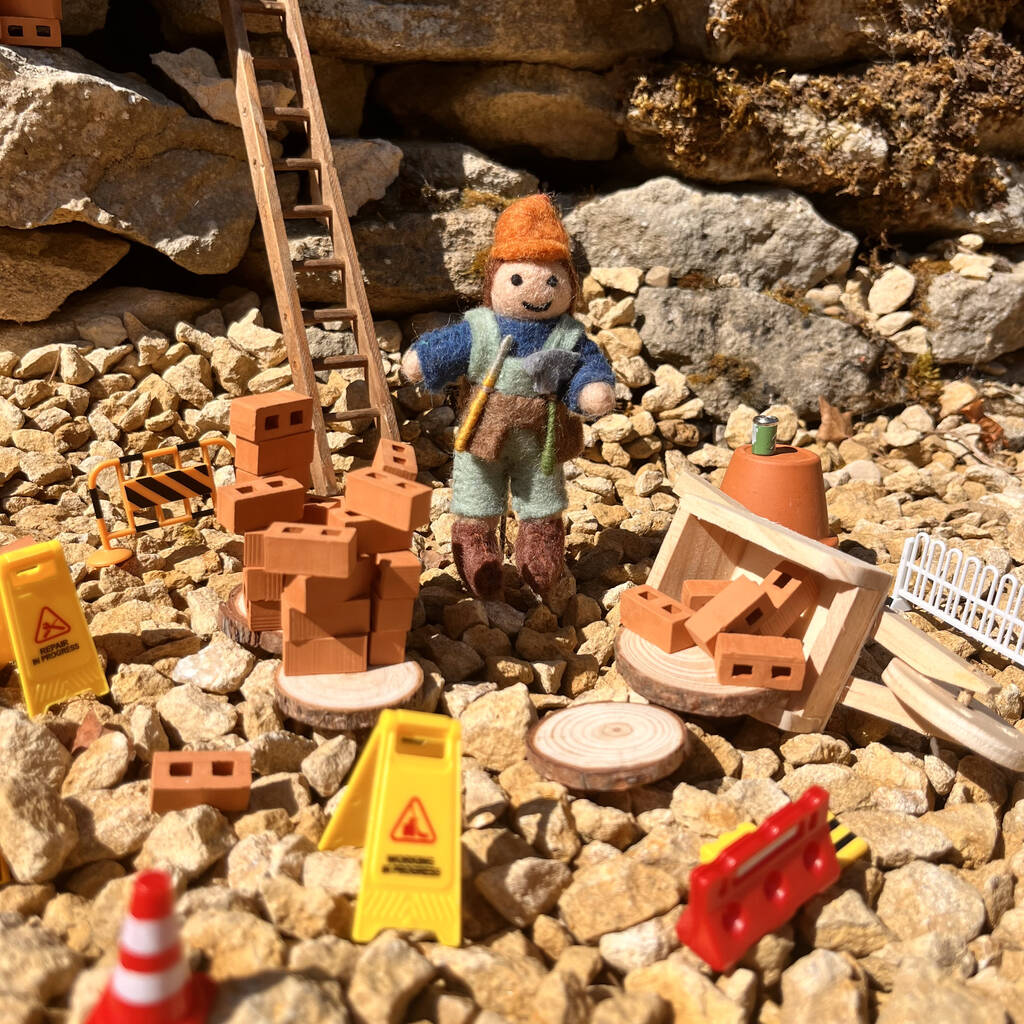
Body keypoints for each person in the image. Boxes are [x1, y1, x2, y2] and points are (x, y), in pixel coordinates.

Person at [401, 194, 615, 599]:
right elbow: (448, 347)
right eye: (517, 280)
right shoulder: (482, 328)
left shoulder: (567, 335)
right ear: (495, 279)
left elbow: (587, 369)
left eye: (552, 281)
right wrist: (424, 360)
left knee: (543, 503)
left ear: (568, 283)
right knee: (476, 499)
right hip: (482, 436)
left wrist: (590, 389)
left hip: (542, 444)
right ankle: (478, 556)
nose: (538, 291)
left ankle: (540, 555)